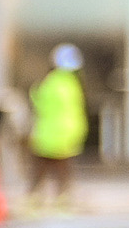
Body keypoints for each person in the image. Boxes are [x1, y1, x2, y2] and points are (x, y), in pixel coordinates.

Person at [30, 46, 88, 205]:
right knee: (63, 168)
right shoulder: (73, 84)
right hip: (68, 132)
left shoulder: (50, 82)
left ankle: (35, 196)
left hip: (49, 132)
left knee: (42, 167)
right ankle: (62, 196)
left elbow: (38, 102)